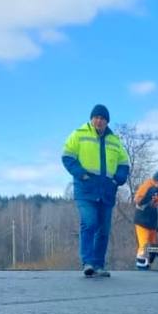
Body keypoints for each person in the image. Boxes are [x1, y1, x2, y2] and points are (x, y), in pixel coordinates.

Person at [61, 103, 130, 277]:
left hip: (107, 190)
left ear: (107, 121)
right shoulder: (79, 134)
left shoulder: (114, 140)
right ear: (91, 119)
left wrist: (118, 179)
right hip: (85, 189)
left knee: (104, 230)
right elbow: (67, 156)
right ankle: (88, 262)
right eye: (96, 117)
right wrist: (81, 174)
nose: (99, 121)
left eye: (102, 118)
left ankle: (99, 265)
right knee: (89, 222)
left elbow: (123, 163)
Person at [133, 171, 158, 269]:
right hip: (142, 220)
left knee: (154, 243)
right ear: (157, 181)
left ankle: (149, 260)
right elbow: (138, 200)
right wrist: (148, 198)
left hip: (152, 221)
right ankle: (141, 263)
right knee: (143, 243)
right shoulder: (147, 186)